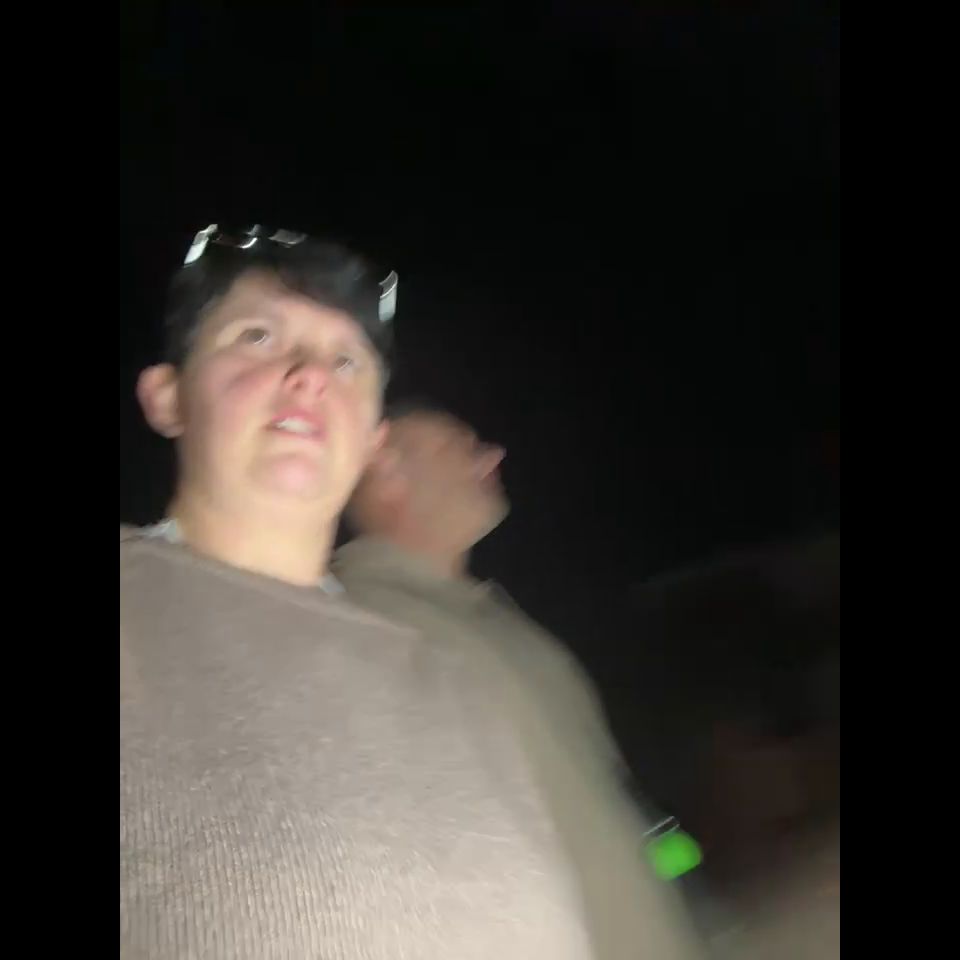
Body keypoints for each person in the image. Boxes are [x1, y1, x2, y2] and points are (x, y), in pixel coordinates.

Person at [120, 226, 610, 959]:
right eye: (258, 337)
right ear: (166, 397)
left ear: (370, 436)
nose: (310, 375)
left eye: (345, 360)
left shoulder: (453, 685)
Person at [334, 403, 703, 960]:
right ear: (387, 469)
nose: (493, 454)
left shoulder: (497, 621)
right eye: (460, 446)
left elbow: (607, 794)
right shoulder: (359, 623)